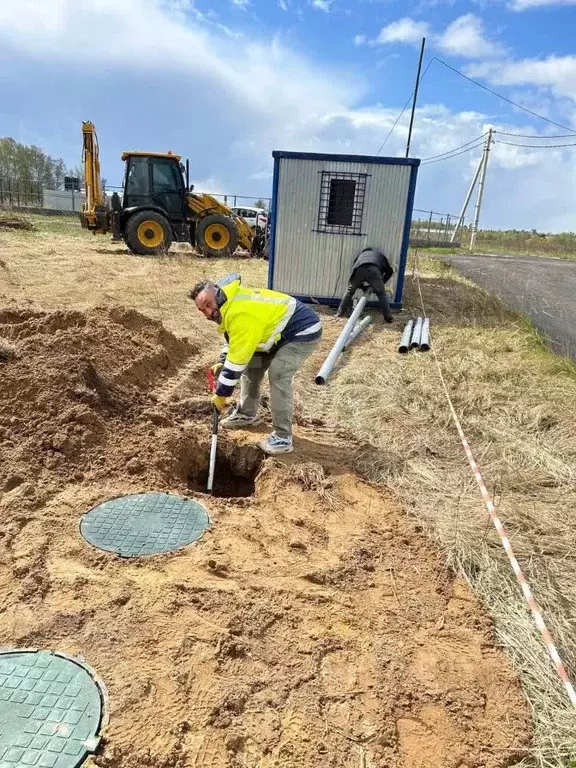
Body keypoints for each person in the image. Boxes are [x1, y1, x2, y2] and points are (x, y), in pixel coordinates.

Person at [188, 274, 322, 455]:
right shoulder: (227, 306)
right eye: (202, 310)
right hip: (272, 334)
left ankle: (283, 437)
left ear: (217, 295)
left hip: (300, 330)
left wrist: (221, 394)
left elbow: (236, 362)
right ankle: (247, 413)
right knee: (253, 368)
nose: (208, 313)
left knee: (278, 374)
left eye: (208, 304)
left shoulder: (239, 312)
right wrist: (222, 362)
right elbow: (234, 341)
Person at [336, 246, 394, 323]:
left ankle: (340, 313)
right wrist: (380, 284)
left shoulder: (360, 256)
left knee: (349, 292)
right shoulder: (379, 255)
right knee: (381, 295)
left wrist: (363, 287)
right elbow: (390, 272)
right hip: (374, 270)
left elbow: (354, 272)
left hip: (359, 269)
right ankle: (388, 317)